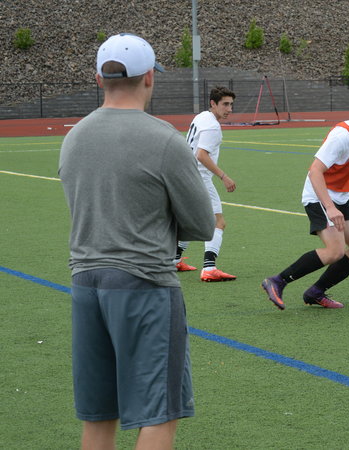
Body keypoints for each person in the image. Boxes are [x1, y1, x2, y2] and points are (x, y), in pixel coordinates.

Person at [59, 33, 215, 449]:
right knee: (160, 413)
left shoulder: (74, 136)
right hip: (144, 284)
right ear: (149, 77)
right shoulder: (163, 138)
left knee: (99, 415)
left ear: (99, 79)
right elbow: (202, 224)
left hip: (85, 283)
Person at [261, 92, 349, 310]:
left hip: (340, 197)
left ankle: (316, 292)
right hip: (319, 196)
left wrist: (338, 205)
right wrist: (330, 207)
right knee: (335, 251)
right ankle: (277, 281)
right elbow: (315, 171)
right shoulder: (342, 135)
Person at [173, 87, 238, 282]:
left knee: (190, 222)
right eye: (225, 104)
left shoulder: (202, 116)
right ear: (213, 103)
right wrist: (224, 176)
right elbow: (201, 155)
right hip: (199, 179)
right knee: (218, 222)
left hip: (185, 176)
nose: (229, 109)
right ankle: (209, 268)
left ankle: (174, 260)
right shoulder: (212, 127)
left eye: (231, 105)